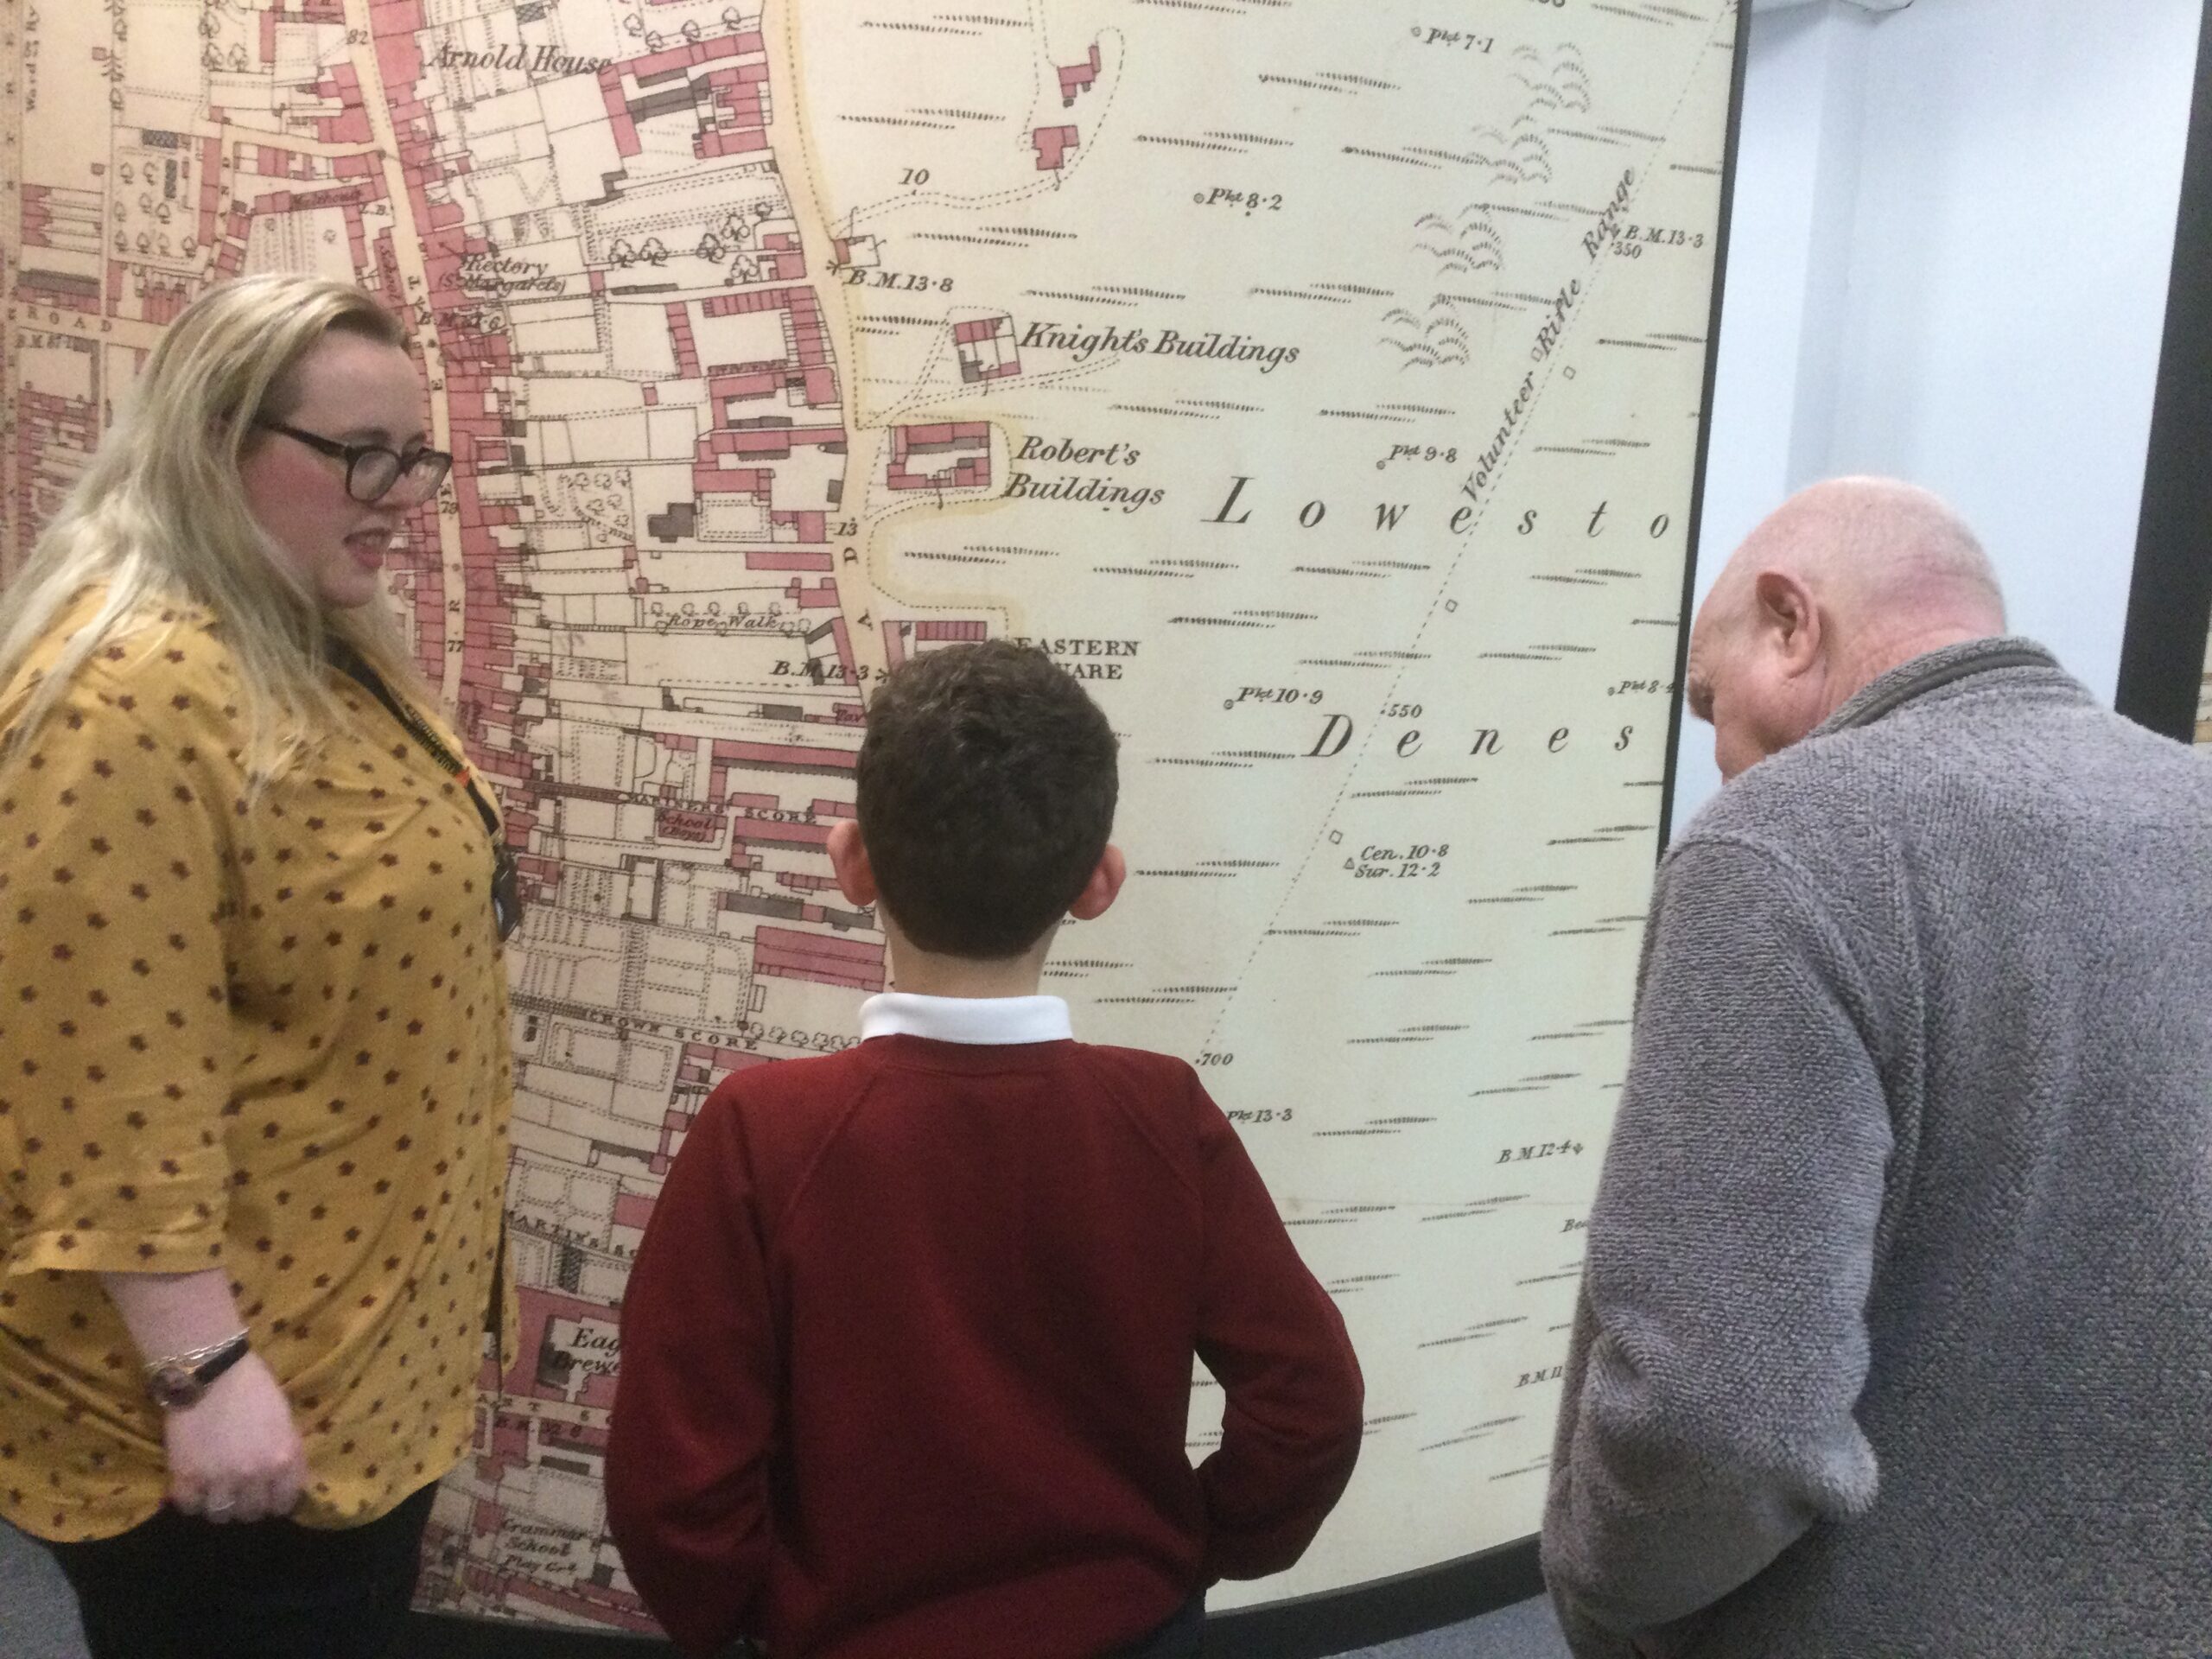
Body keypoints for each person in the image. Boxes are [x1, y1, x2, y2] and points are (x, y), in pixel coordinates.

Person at [1541, 478, 2212, 1656]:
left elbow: (1717, 1417)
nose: (1719, 757)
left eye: (1710, 699)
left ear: (1793, 620)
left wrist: (1602, 1598)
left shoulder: (1785, 846)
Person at [606, 639, 1365, 1659]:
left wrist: (753, 1617)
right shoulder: (1165, 1114)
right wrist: (1188, 1550)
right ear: (1098, 884)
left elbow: (673, 1486)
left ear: (851, 863)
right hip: (1133, 1627)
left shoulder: (760, 1133)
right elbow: (1310, 1404)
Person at [0, 273, 518, 1658]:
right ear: (212, 438)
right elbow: (100, 1077)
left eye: (415, 456)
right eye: (359, 453)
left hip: (350, 1362)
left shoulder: (311, 638)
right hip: (230, 1422)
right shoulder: (131, 691)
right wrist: (206, 1374)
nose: (402, 492)